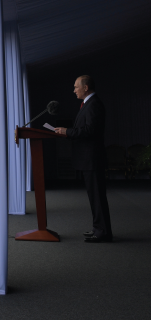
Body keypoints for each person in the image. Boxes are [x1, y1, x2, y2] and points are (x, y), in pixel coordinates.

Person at [54, 75, 112, 243]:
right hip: (89, 159)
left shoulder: (94, 105)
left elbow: (90, 131)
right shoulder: (88, 104)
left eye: (76, 87)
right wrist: (67, 133)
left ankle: (103, 232)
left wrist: (68, 132)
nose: (74, 90)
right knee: (94, 197)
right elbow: (85, 129)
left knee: (97, 198)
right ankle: (98, 228)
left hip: (92, 159)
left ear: (86, 88)